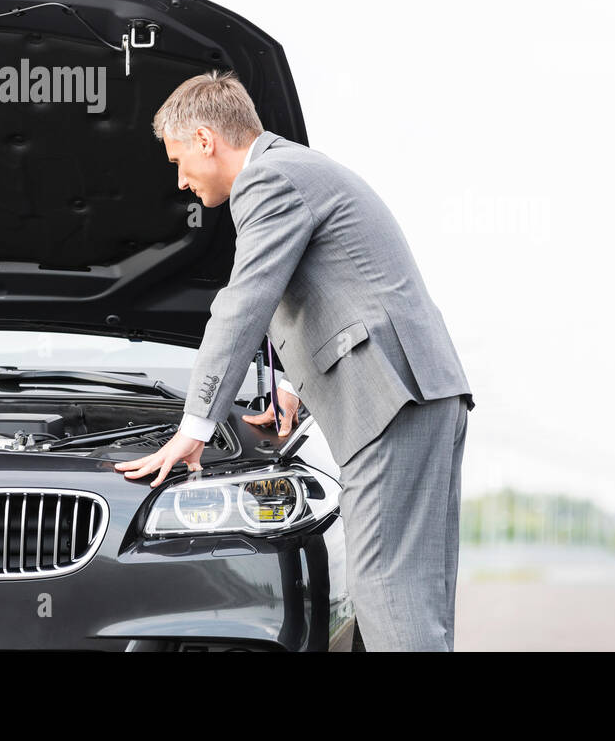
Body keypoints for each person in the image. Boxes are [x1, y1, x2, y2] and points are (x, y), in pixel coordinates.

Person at [114, 70, 474, 651]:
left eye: (179, 160)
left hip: (390, 399)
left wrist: (195, 425)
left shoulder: (269, 179)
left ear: (207, 139)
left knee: (387, 591)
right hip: (418, 392)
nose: (180, 181)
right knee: (416, 595)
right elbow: (340, 289)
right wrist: (293, 385)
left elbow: (243, 304)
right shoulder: (297, 170)